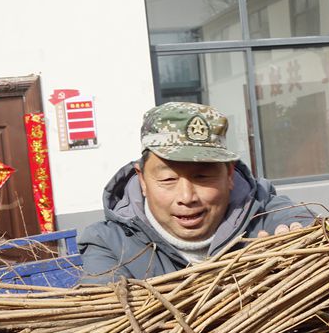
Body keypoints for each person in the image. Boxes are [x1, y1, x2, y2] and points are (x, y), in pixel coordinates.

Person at [78, 101, 315, 284]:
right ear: (142, 180)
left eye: (202, 177)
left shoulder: (264, 215)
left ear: (229, 175)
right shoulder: (107, 244)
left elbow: (296, 219)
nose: (187, 197)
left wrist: (301, 232)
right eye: (168, 179)